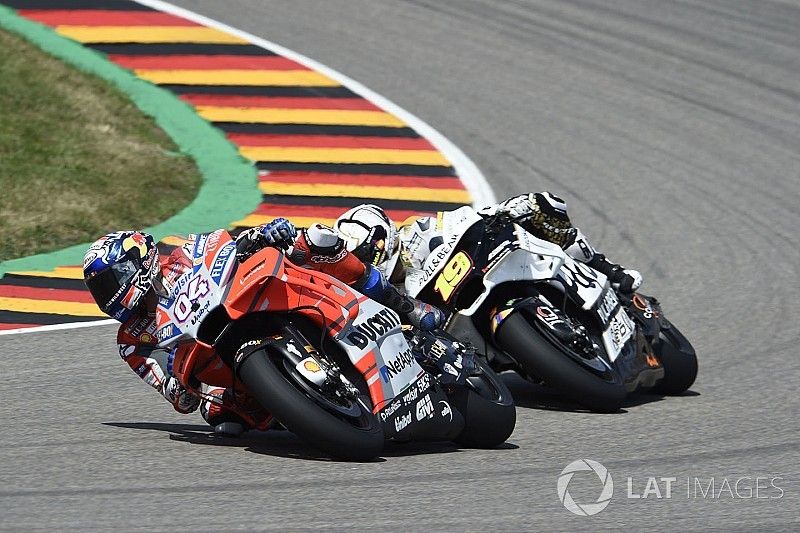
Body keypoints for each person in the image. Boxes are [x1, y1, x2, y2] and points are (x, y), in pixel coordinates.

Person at [83, 219, 445, 436]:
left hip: (246, 301)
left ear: (136, 261)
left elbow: (227, 247)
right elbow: (177, 398)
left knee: (317, 241)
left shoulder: (185, 252)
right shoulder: (132, 340)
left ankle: (401, 305)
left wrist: (261, 235)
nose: (108, 294)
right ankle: (310, 410)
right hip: (217, 362)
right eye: (100, 289)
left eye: (110, 280)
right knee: (220, 418)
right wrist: (177, 382)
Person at [334, 192, 642, 294]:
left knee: (541, 205)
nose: (369, 260)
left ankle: (604, 268)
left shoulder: (416, 231)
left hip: (485, 270)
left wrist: (499, 212)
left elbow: (460, 222)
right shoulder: (374, 293)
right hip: (456, 333)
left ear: (383, 235)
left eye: (368, 250)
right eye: (360, 260)